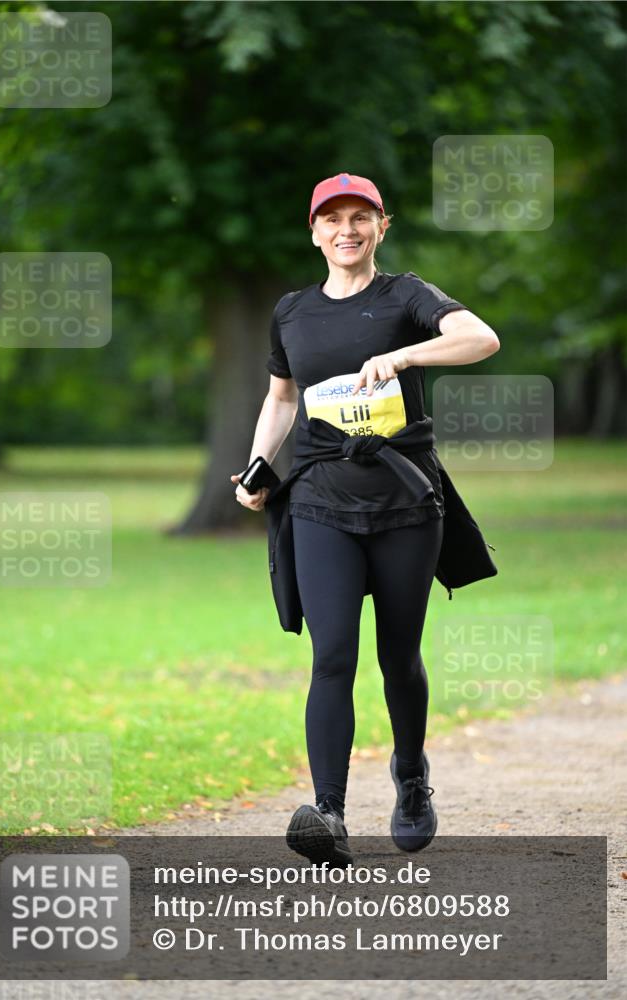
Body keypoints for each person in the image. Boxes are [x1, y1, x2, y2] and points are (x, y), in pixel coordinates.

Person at [230, 172, 500, 867]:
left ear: (382, 226)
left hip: (405, 501)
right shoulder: (291, 311)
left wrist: (403, 354)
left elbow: (480, 339)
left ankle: (411, 780)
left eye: (360, 217)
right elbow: (281, 398)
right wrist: (260, 466)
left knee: (396, 656)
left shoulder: (405, 295)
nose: (345, 230)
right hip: (321, 500)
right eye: (332, 219)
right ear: (313, 231)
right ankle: (328, 813)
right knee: (331, 656)